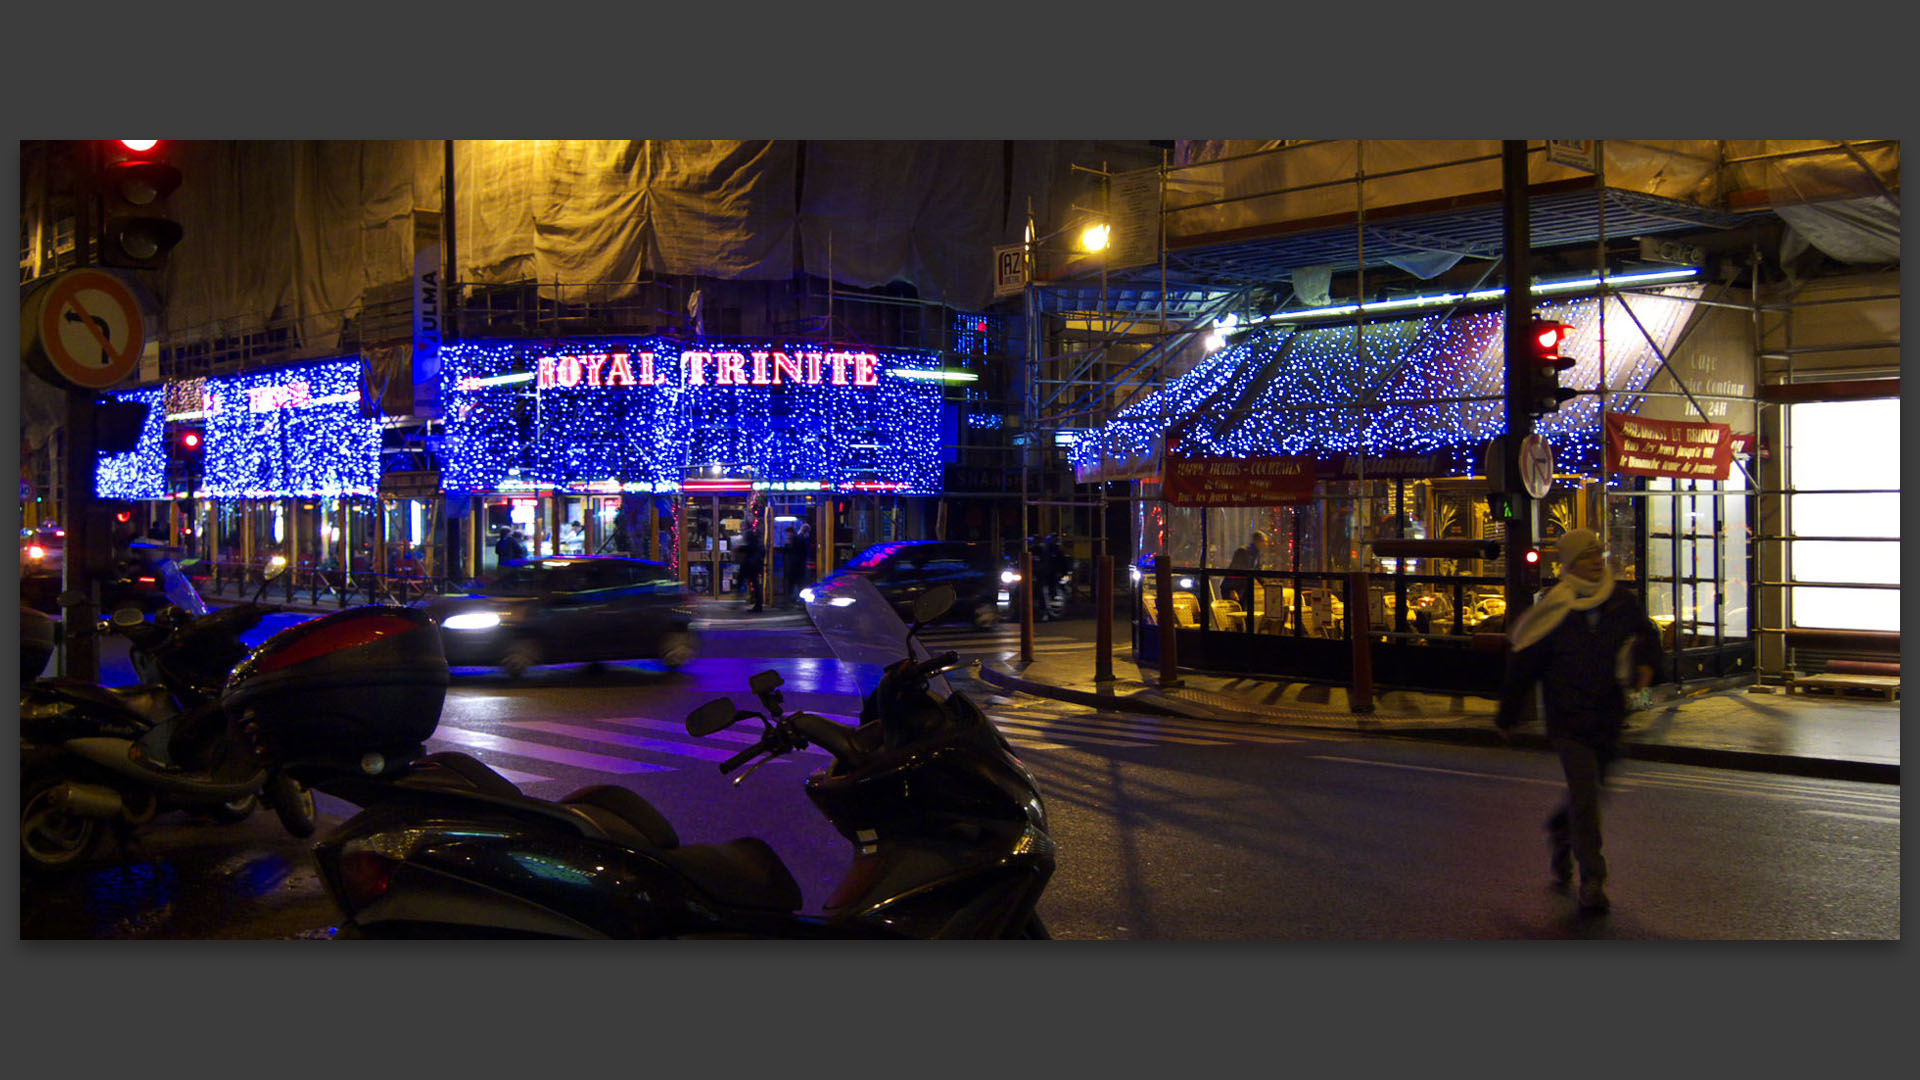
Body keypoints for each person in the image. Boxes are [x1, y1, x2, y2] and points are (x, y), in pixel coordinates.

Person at [1495, 528, 1662, 915]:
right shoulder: (1555, 608)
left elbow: (1647, 635)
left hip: (1608, 714)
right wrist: (1507, 715)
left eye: (1597, 554)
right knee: (1586, 798)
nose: (1594, 561)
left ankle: (1559, 830)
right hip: (1568, 718)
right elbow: (1524, 666)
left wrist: (1646, 664)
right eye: (1586, 556)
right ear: (1569, 563)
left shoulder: (1621, 602)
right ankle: (1593, 881)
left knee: (1588, 795)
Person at [1225, 530, 1265, 613]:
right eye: (1264, 541)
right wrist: (1232, 589)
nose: (1266, 544)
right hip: (1236, 588)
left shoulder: (1257, 554)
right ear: (1257, 541)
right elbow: (1233, 570)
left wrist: (1265, 585)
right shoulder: (1243, 551)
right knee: (1237, 614)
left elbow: (1257, 571)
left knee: (1245, 612)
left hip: (1245, 587)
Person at [736, 528, 765, 612]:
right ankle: (758, 605)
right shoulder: (758, 543)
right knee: (755, 585)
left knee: (743, 581)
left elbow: (748, 548)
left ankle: (738, 599)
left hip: (750, 566)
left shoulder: (751, 543)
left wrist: (739, 548)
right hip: (755, 566)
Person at [784, 523, 811, 602]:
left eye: (788, 533)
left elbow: (797, 553)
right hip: (796, 566)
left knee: (795, 583)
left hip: (796, 566)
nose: (787, 535)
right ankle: (796, 599)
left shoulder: (797, 540)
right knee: (797, 583)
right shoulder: (799, 539)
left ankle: (795, 599)